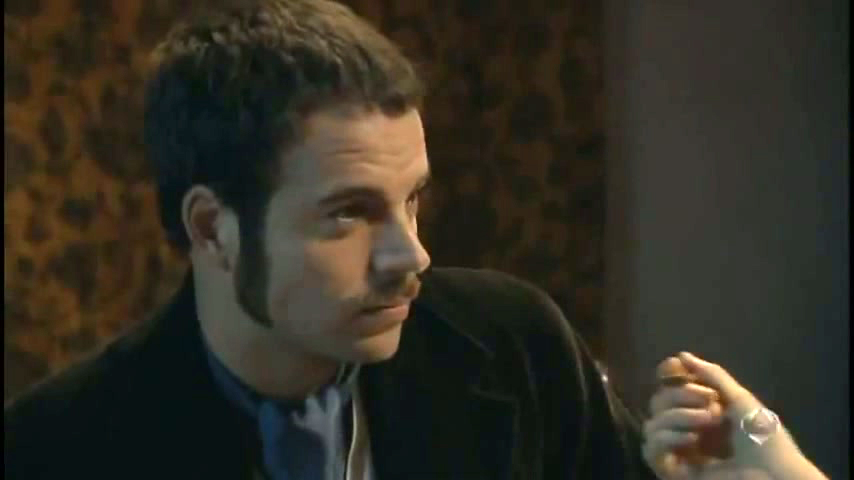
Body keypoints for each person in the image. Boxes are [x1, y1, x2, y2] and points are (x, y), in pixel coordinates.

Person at [3, 1, 828, 479]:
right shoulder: (58, 449)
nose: (411, 256)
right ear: (212, 228)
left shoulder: (514, 349)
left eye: (413, 200)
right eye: (349, 213)